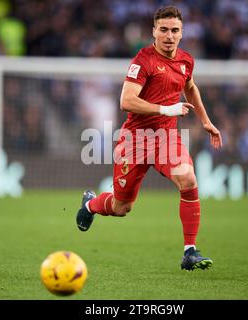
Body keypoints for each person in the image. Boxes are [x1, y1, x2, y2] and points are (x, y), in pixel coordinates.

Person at [76, 6, 222, 271]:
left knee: (188, 178)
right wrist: (166, 109)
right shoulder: (143, 61)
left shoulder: (186, 60)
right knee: (122, 207)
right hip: (135, 140)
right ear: (154, 31)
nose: (169, 35)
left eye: (174, 30)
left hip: (167, 137)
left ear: (182, 33)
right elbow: (126, 100)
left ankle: (190, 251)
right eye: (163, 30)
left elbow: (190, 87)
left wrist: (206, 121)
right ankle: (91, 204)